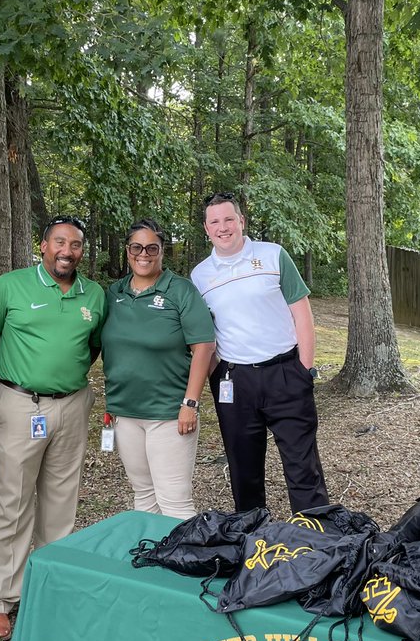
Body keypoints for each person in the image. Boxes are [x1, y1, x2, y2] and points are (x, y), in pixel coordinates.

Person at [0, 215, 105, 641]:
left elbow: (93, 346)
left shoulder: (94, 295)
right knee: (11, 501)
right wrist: (4, 389)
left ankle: (50, 590)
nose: (68, 251)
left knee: (61, 502)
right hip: (20, 405)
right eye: (60, 242)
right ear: (43, 246)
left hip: (72, 404)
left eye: (76, 244)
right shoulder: (9, 287)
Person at [190, 192, 329, 513]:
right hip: (234, 383)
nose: (223, 227)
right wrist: (214, 377)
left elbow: (302, 314)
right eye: (215, 222)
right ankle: (251, 538)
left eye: (229, 219)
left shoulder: (273, 255)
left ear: (241, 221)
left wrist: (304, 370)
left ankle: (318, 536)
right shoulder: (199, 276)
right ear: (206, 229)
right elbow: (204, 336)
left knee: (302, 465)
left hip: (286, 374)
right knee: (243, 468)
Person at [101, 219, 215, 518]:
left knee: (174, 501)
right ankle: (152, 559)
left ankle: (183, 562)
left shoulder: (181, 291)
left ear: (162, 251)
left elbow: (203, 347)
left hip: (169, 413)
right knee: (144, 495)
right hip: (125, 413)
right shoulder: (114, 293)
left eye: (152, 247)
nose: (144, 253)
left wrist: (190, 403)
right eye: (137, 247)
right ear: (127, 251)